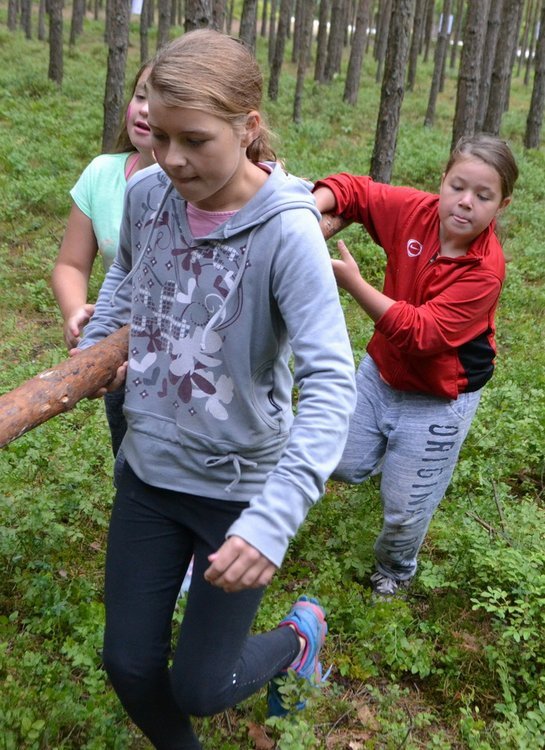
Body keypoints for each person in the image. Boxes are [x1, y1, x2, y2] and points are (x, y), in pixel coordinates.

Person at [77, 29, 356, 748]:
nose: (172, 159)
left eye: (194, 140)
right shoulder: (147, 194)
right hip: (148, 471)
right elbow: (126, 273)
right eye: (160, 137)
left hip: (238, 491)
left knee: (201, 688)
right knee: (128, 664)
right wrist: (94, 348)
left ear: (247, 127)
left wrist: (272, 518)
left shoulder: (286, 233)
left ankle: (298, 636)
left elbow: (331, 384)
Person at [313, 134, 518, 598]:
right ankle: (391, 452)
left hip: (440, 397)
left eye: (483, 195)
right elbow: (357, 191)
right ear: (442, 181)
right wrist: (311, 207)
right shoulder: (417, 213)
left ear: (501, 204)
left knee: (405, 510)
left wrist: (353, 283)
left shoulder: (485, 270)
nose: (465, 202)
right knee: (336, 460)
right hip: (381, 373)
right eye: (457, 187)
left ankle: (395, 569)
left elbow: (421, 333)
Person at [51, 61, 155, 456]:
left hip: (187, 355)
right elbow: (71, 265)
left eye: (159, 101)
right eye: (140, 96)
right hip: (121, 349)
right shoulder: (102, 174)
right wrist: (77, 314)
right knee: (129, 457)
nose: (145, 110)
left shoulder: (202, 187)